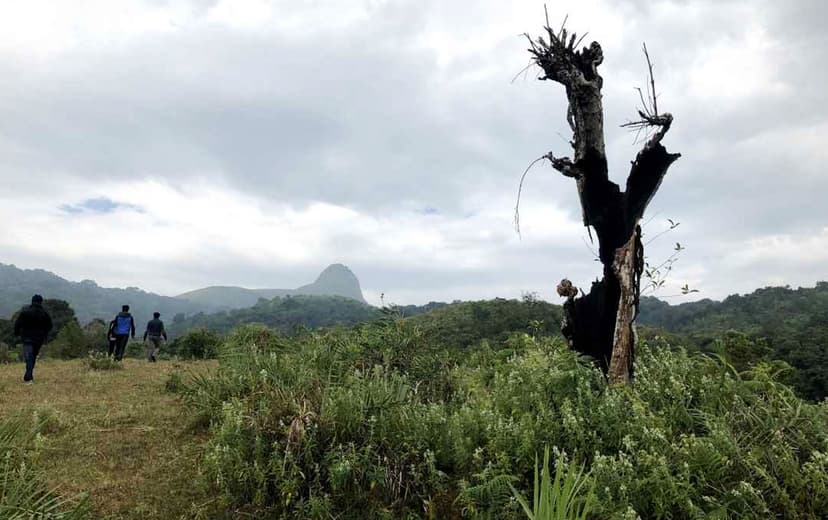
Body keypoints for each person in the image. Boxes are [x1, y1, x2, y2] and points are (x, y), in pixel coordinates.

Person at [13, 294, 53, 383]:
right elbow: (49, 326)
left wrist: (17, 333)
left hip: (27, 338)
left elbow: (17, 324)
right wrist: (45, 335)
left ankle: (28, 376)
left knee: (29, 357)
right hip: (39, 339)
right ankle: (29, 375)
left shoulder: (25, 312)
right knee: (33, 356)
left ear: (32, 301)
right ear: (41, 302)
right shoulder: (44, 313)